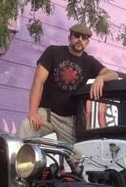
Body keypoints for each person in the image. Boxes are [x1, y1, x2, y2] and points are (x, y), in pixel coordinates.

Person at [19, 23, 118, 170]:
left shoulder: (88, 62)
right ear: (70, 37)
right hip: (47, 114)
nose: (80, 40)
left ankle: (73, 183)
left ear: (87, 42)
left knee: (76, 158)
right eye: (77, 36)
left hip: (68, 120)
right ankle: (16, 175)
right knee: (25, 130)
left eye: (84, 38)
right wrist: (33, 112)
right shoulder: (53, 52)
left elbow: (113, 74)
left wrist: (100, 78)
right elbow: (37, 83)